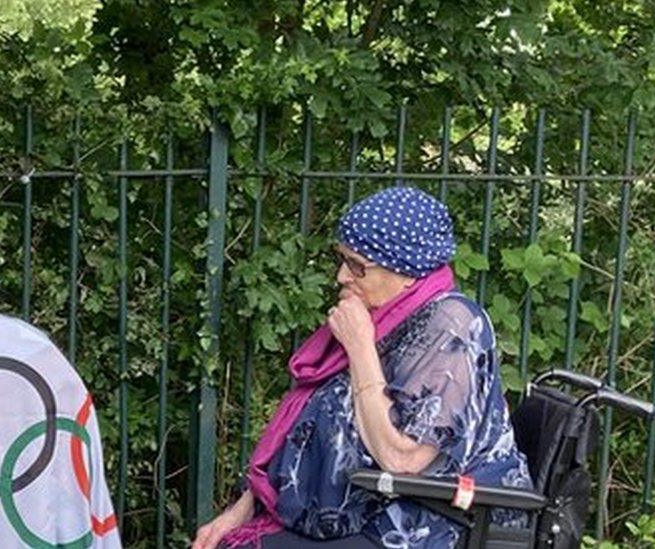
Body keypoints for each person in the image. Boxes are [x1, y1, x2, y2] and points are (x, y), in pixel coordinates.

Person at [193, 187, 532, 549]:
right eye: (341, 259)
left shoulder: (453, 326)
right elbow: (307, 435)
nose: (341, 276)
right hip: (362, 511)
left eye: (357, 265)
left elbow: (403, 459)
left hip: (432, 524)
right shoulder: (387, 318)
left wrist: (360, 348)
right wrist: (244, 510)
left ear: (406, 269)